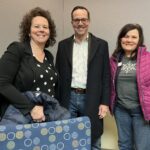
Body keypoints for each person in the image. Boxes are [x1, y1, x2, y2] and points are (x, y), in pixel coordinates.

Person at [55, 6, 110, 149]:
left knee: (94, 137)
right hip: (69, 97)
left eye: (83, 19)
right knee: (68, 136)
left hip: (91, 97)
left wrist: (105, 102)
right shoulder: (63, 46)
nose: (80, 23)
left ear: (89, 21)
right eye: (77, 20)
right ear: (72, 22)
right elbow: (58, 76)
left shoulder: (101, 45)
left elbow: (105, 75)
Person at [0, 7, 60, 124]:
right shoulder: (17, 49)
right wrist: (31, 108)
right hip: (20, 117)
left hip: (45, 118)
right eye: (36, 26)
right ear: (28, 31)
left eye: (45, 27)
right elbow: (2, 83)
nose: (41, 30)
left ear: (50, 32)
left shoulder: (49, 56)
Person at [110, 23, 150, 150]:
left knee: (142, 147)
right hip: (121, 109)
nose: (129, 40)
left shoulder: (147, 59)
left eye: (134, 37)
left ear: (139, 40)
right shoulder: (113, 60)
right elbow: (107, 83)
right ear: (121, 38)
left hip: (141, 111)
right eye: (126, 36)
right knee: (124, 145)